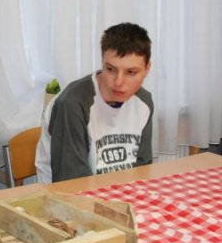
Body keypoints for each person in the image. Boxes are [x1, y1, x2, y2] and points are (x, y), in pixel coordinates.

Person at [35, 22, 153, 183]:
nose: (118, 82)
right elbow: (71, 182)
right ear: (102, 62)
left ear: (147, 69)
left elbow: (142, 170)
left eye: (131, 72)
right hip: (67, 194)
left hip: (121, 193)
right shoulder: (72, 104)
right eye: (110, 69)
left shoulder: (144, 102)